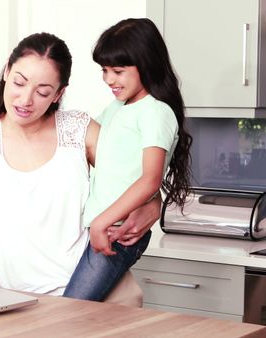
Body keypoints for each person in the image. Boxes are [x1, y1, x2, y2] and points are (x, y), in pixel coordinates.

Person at [0, 32, 159, 296]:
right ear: (7, 72)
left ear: (58, 94)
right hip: (19, 302)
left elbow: (138, 178)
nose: (25, 100)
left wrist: (153, 205)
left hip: (96, 295)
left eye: (42, 92)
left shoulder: (79, 131)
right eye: (19, 83)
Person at [62, 18, 193, 301]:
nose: (109, 79)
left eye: (118, 71)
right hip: (106, 226)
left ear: (145, 63)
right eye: (105, 70)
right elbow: (85, 147)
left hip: (119, 232)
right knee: (81, 314)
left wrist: (100, 223)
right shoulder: (118, 107)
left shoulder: (155, 113)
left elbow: (150, 179)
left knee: (71, 310)